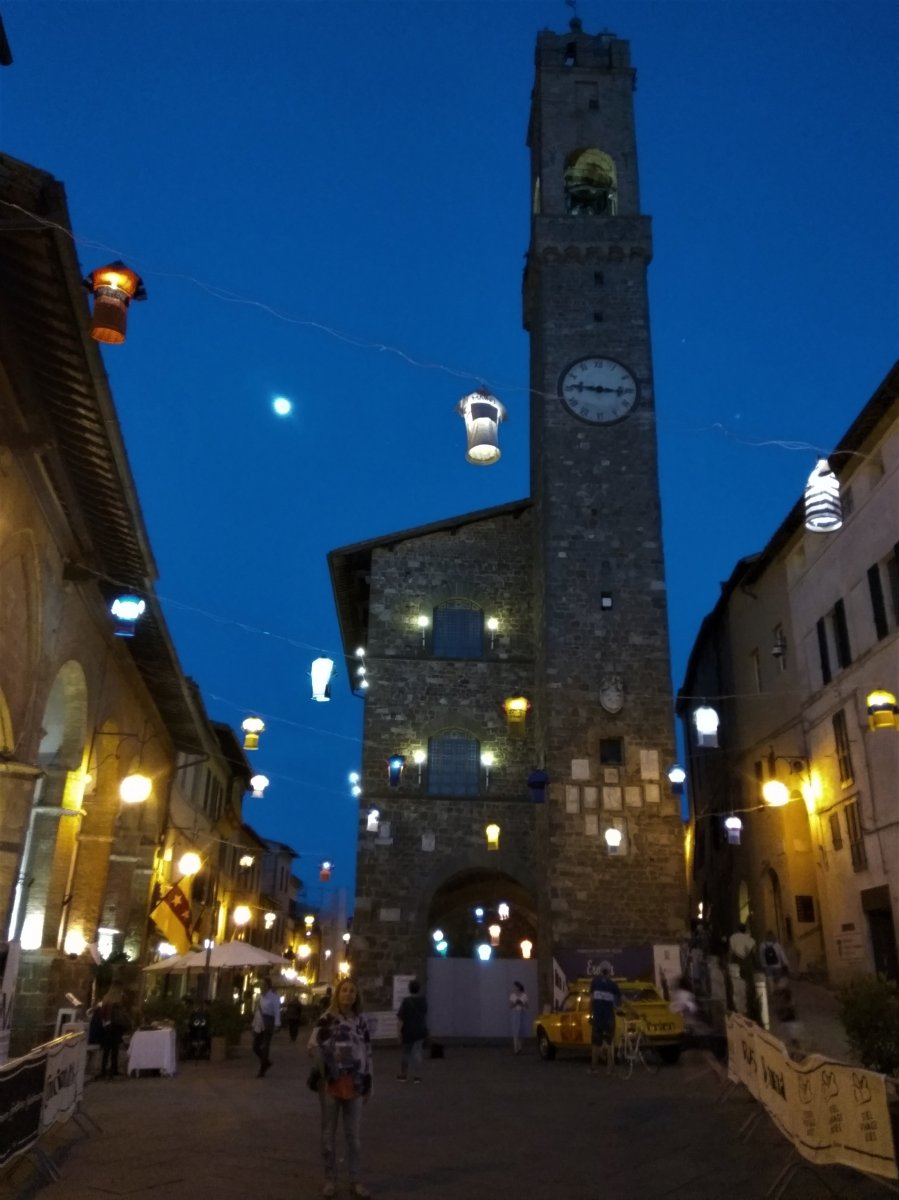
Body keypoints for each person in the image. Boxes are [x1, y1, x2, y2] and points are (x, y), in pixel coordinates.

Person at [308, 978, 373, 1199]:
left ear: (357, 995)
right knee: (328, 1134)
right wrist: (326, 1062)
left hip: (355, 1083)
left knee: (353, 1136)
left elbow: (368, 1051)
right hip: (330, 1083)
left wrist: (369, 1082)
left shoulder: (361, 1021)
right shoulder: (326, 1019)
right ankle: (330, 1179)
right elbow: (312, 1046)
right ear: (338, 994)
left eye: (352, 991)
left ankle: (355, 1180)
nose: (348, 994)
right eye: (344, 990)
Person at [94, 984, 131, 1079]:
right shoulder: (117, 1002)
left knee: (107, 1051)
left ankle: (103, 1070)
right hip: (116, 1028)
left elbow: (102, 1014)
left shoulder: (106, 1000)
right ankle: (113, 1070)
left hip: (107, 1028)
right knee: (114, 1050)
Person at [589, 966, 621, 1074]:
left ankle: (594, 1068)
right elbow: (620, 1000)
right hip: (609, 1018)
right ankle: (609, 1069)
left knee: (595, 1044)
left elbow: (591, 1000)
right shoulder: (613, 985)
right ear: (609, 974)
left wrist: (590, 1014)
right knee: (609, 1043)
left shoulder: (595, 982)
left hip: (597, 1017)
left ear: (601, 973)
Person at [396, 978, 428, 1081]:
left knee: (406, 1053)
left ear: (409, 989)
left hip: (408, 1031)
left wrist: (398, 1032)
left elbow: (401, 1018)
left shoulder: (406, 1001)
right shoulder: (423, 1001)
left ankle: (403, 1074)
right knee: (417, 1052)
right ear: (418, 989)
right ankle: (417, 1076)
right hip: (420, 1030)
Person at [252, 978, 281, 1078]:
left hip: (268, 1023)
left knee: (265, 1047)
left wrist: (277, 1024)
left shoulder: (274, 998)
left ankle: (262, 1069)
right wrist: (254, 1023)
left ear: (268, 986)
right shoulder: (260, 997)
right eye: (260, 985)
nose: (260, 987)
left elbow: (277, 1011)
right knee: (255, 1047)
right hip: (259, 1023)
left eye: (263, 985)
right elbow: (257, 1011)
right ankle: (266, 1062)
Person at [771, 975, 803, 1057]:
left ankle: (798, 1054)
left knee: (793, 1039)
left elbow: (791, 1004)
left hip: (790, 1020)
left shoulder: (786, 993)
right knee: (787, 1040)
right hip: (784, 1020)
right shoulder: (776, 994)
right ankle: (791, 1055)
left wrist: (783, 1007)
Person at [508, 980, 528, 1055]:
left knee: (521, 1031)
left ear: (518, 987)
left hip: (522, 1013)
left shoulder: (524, 995)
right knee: (515, 1030)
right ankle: (515, 1049)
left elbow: (527, 1006)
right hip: (515, 1013)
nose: (514, 988)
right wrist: (515, 1003)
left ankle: (520, 1047)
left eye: (515, 986)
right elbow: (510, 1006)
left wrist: (522, 1003)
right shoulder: (513, 995)